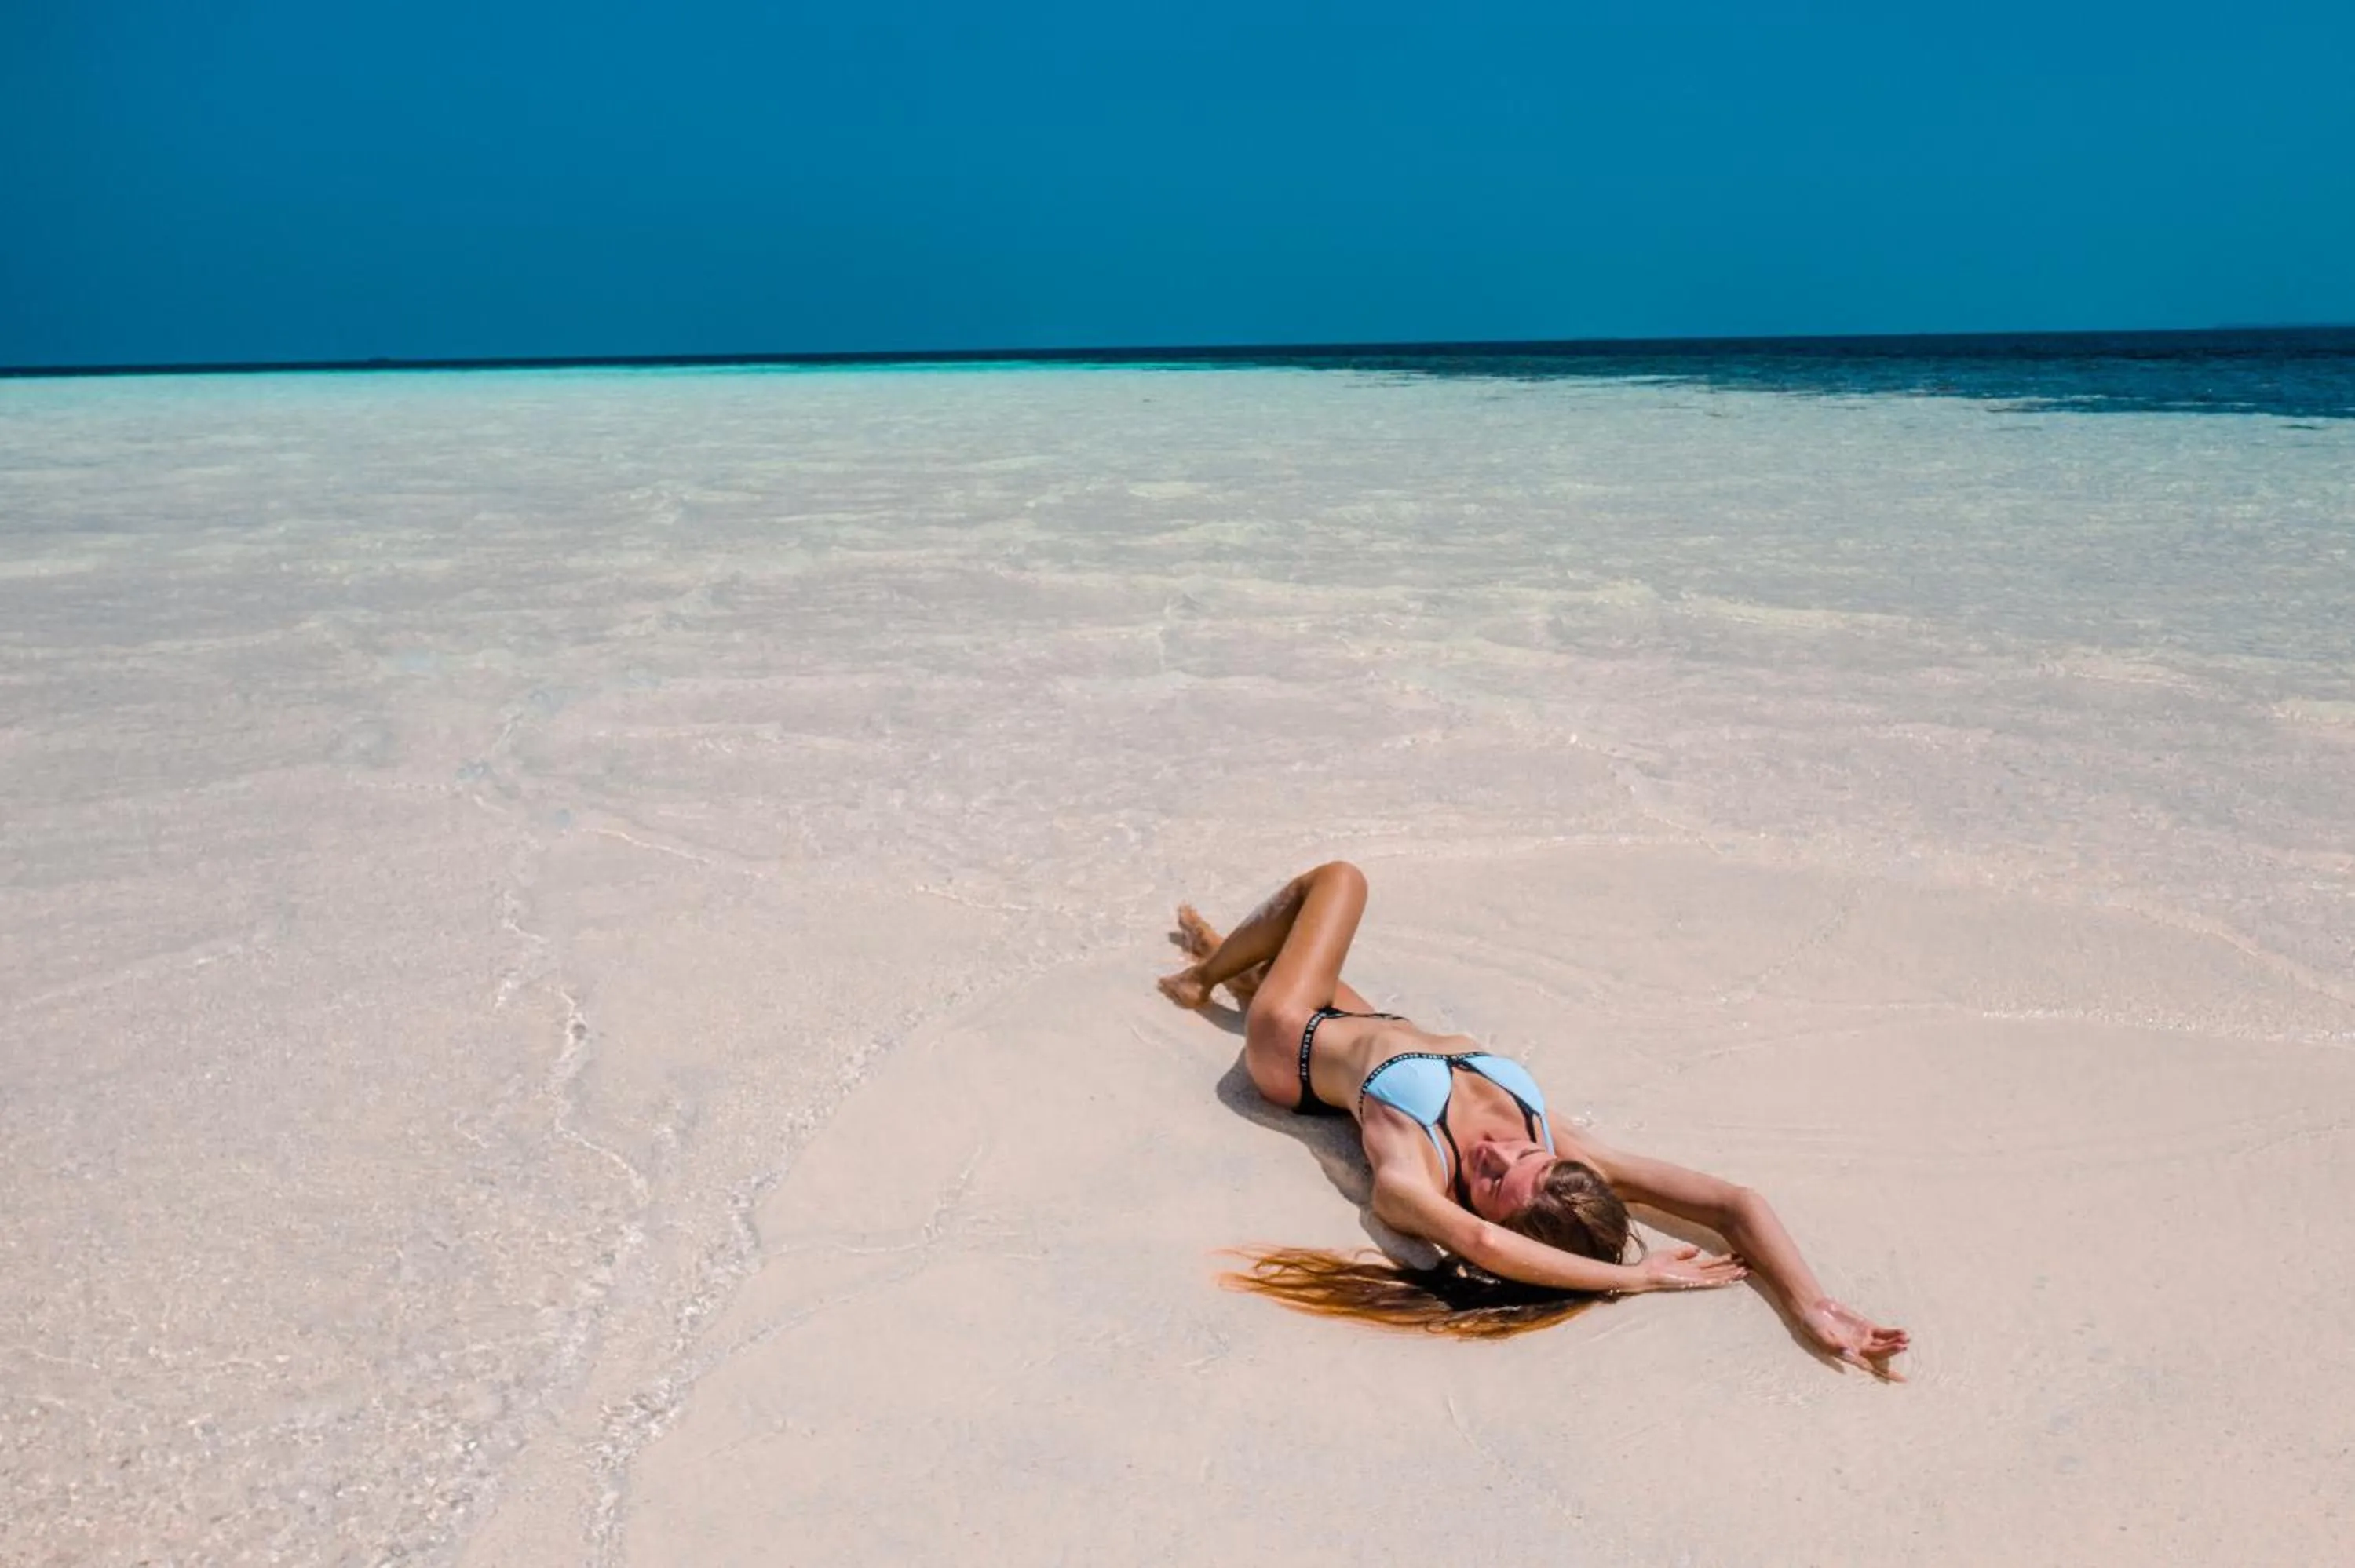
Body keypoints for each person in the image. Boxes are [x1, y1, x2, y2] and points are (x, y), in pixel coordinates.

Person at [1158, 861, 1910, 1374]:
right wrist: (1815, 1305)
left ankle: (1201, 977)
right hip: (1381, 1028)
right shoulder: (1565, 1148)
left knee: (1339, 882)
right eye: (1522, 1159)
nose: (1493, 1154)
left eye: (1489, 1180)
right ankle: (1229, 962)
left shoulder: (1413, 1176)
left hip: (1293, 1045)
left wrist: (1641, 1282)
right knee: (1285, 950)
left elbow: (1483, 1241)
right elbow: (1735, 1204)